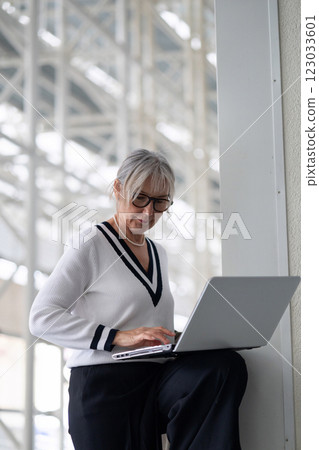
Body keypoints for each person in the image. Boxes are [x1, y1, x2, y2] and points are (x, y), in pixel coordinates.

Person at [29, 148, 247, 450]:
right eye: (139, 198)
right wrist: (120, 336)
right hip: (103, 389)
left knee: (222, 366)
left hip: (154, 380)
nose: (148, 213)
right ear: (118, 189)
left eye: (160, 203)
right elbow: (41, 317)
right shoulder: (90, 244)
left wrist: (187, 340)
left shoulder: (159, 254)